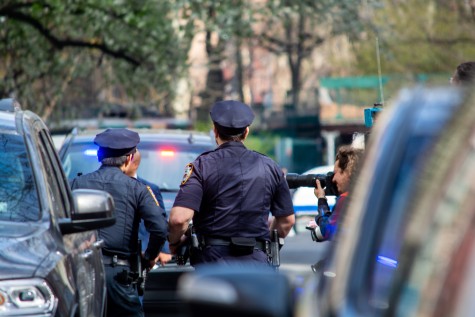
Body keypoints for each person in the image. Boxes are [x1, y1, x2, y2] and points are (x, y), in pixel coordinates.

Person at [167, 100, 295, 266]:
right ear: (246, 132)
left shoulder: (202, 166)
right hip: (257, 266)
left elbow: (179, 219)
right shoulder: (270, 167)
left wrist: (174, 243)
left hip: (211, 266)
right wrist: (264, 242)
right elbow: (287, 221)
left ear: (215, 131)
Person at [70, 128, 168, 317]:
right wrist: (149, 257)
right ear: (130, 159)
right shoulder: (138, 189)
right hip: (119, 276)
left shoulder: (75, 184)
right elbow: (160, 228)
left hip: (82, 272)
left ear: (99, 155)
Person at [125, 148, 172, 266]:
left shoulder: (150, 188)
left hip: (145, 253)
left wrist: (162, 250)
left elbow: (160, 222)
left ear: (135, 164)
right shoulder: (112, 185)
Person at [307, 145, 364, 241]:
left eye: (336, 173)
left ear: (347, 172)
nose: (333, 179)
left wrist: (321, 200)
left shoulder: (347, 199)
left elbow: (328, 230)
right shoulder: (369, 194)